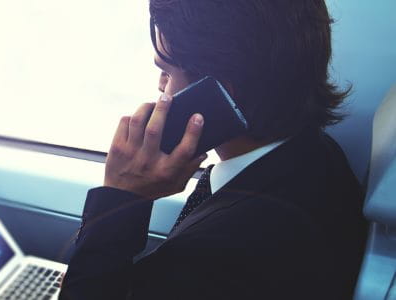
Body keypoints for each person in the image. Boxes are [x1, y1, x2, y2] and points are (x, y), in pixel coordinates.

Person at [59, 0, 367, 299]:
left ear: (217, 92)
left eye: (167, 72)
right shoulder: (317, 153)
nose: (159, 85)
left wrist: (121, 197)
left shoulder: (209, 256)